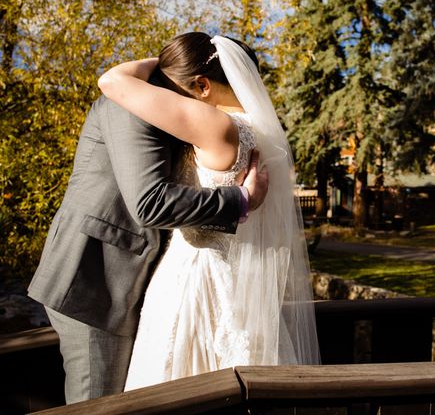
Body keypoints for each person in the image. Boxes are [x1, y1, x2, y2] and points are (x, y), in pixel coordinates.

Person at [27, 38, 269, 404]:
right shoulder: (131, 106)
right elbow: (150, 203)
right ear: (202, 83)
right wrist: (240, 200)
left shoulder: (167, 108)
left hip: (136, 278)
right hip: (96, 277)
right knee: (98, 403)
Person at [98, 33, 321, 390]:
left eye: (177, 90)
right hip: (239, 278)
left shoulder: (215, 125)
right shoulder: (259, 129)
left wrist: (159, 65)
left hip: (197, 278)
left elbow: (111, 80)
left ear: (202, 85)